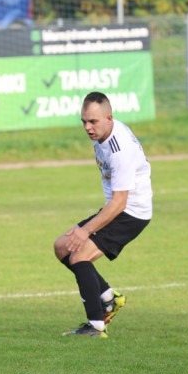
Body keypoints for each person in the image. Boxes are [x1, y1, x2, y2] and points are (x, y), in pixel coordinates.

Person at [54, 91, 153, 338]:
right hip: (118, 207)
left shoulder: (120, 150)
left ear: (109, 118)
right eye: (84, 121)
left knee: (79, 257)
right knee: (62, 247)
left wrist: (85, 230)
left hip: (130, 212)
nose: (88, 127)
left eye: (93, 122)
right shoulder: (103, 134)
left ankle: (96, 326)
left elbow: (120, 202)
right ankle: (108, 298)